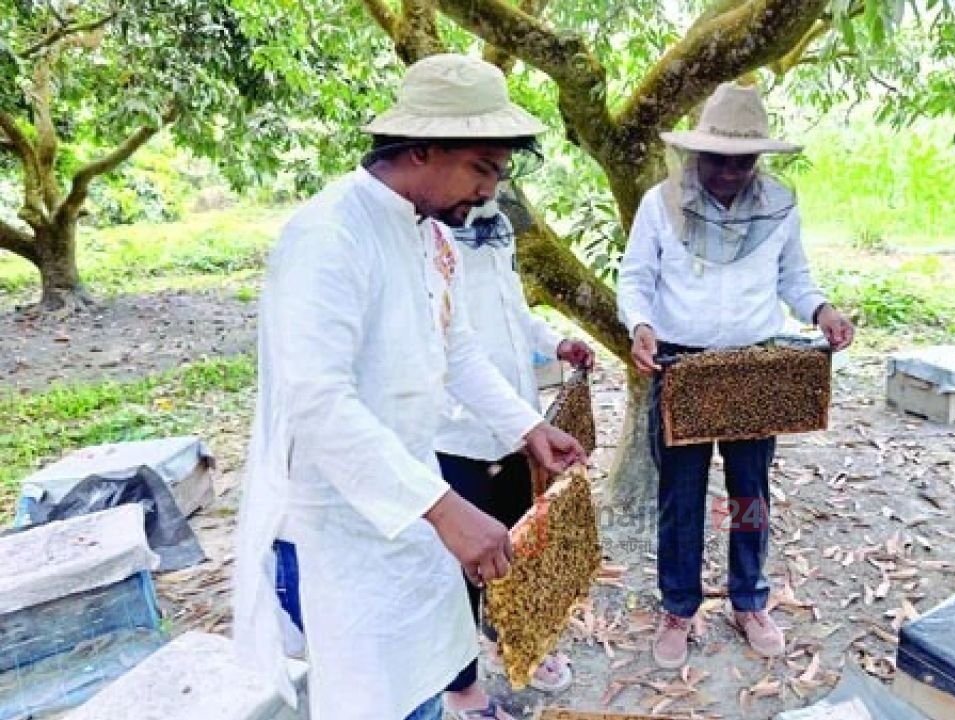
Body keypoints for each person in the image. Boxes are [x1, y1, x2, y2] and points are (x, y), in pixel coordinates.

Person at [232, 54, 586, 720]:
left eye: (499, 173)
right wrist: (446, 509)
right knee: (367, 699)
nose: (489, 191)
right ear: (422, 147)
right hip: (333, 531)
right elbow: (318, 402)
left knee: (419, 686)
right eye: (483, 168)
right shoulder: (328, 236)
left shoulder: (430, 237)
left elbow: (456, 350)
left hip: (409, 507)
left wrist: (526, 427)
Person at [616, 81, 855, 669]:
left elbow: (795, 278)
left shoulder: (778, 205)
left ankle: (749, 599)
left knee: (751, 495)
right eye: (717, 159)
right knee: (682, 497)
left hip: (754, 370)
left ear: (759, 159)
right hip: (682, 366)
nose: (727, 171)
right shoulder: (659, 204)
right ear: (695, 153)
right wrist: (640, 325)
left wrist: (822, 310)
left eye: (741, 160)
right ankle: (679, 605)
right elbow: (635, 279)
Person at [436, 199, 594, 719]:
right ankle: (461, 689)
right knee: (461, 566)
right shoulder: (424, 235)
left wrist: (555, 344)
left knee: (518, 543)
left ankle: (517, 640)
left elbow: (512, 313)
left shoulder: (497, 222)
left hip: (517, 427)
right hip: (456, 435)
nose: (489, 181)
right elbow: (449, 346)